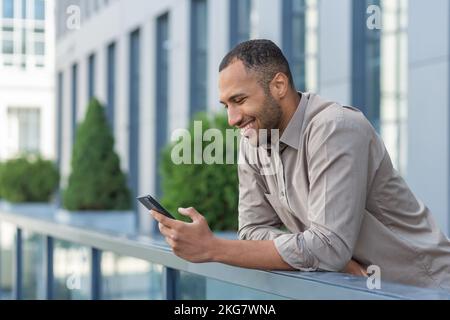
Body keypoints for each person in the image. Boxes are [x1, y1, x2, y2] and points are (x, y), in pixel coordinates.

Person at [152, 39, 450, 290]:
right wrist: (327, 253)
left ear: (279, 85)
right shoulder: (253, 142)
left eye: (239, 100)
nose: (232, 118)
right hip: (356, 287)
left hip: (423, 287)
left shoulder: (335, 128)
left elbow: (327, 248)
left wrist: (214, 248)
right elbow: (253, 230)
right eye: (226, 105)